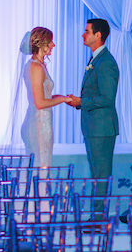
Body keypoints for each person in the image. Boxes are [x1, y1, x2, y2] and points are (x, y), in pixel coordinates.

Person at [68, 18, 119, 189]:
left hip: (101, 128)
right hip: (94, 127)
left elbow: (107, 98)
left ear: (98, 35)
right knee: (97, 174)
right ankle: (97, 214)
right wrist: (78, 102)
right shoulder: (96, 59)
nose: (83, 35)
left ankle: (100, 215)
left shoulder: (105, 62)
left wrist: (81, 101)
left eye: (87, 31)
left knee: (101, 176)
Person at [20, 26, 72, 168]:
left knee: (42, 165)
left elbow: (45, 95)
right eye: (50, 42)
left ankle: (39, 190)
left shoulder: (40, 65)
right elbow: (40, 103)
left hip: (42, 122)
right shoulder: (35, 67)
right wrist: (63, 100)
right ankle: (37, 191)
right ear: (42, 43)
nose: (53, 45)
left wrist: (62, 96)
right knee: (40, 166)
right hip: (38, 124)